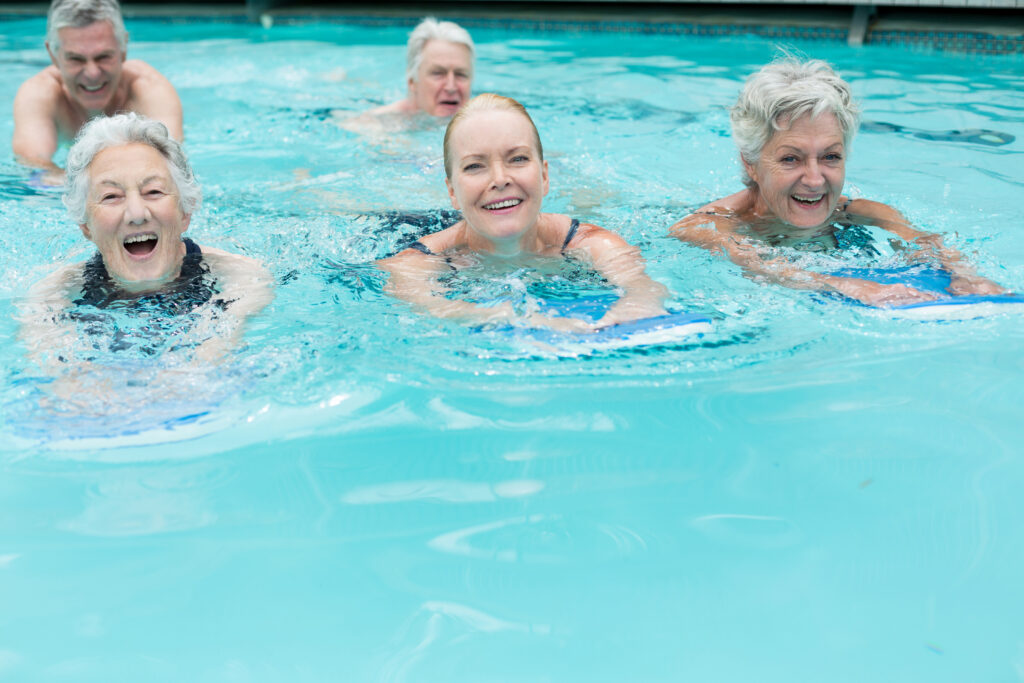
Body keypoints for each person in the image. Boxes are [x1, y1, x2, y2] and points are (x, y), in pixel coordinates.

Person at [669, 56, 1004, 307]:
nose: (815, 180)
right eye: (791, 159)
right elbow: (757, 265)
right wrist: (843, 284)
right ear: (751, 163)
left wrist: (967, 276)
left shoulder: (866, 213)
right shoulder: (706, 225)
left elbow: (925, 242)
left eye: (830, 157)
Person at [378, 93, 667, 332]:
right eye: (475, 166)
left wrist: (637, 302)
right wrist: (513, 319)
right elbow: (428, 304)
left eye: (517, 159)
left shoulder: (588, 242)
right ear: (452, 191)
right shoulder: (418, 261)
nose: (500, 178)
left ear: (544, 176)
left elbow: (643, 286)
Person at [19, 113, 271, 367]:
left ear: (185, 212)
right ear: (86, 225)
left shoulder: (241, 278)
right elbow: (58, 378)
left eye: (153, 191)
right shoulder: (50, 297)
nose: (137, 214)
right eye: (111, 196)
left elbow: (207, 366)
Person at [12, 0, 183, 183]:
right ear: (53, 55)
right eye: (76, 59)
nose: (92, 73)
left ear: (123, 48)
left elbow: (170, 165)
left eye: (103, 56)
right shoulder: (39, 94)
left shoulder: (149, 90)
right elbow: (35, 168)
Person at [340, 17, 474, 133]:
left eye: (461, 74)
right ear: (412, 82)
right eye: (438, 73)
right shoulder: (378, 125)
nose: (451, 87)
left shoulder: (484, 118)